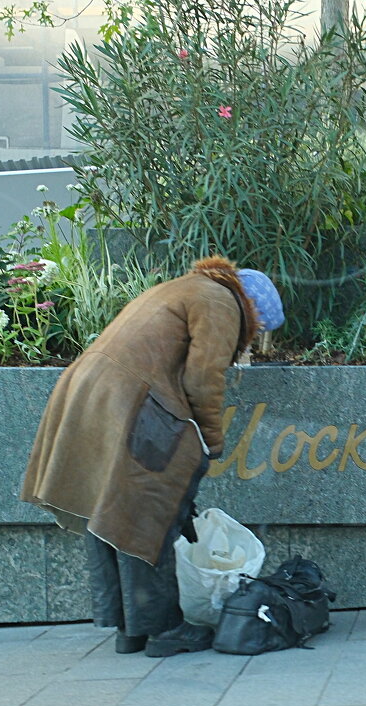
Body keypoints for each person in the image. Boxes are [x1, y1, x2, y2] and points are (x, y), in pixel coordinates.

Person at [21, 256, 285, 657]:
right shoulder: (221, 302)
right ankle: (164, 630)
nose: (250, 342)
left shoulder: (182, 287)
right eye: (258, 331)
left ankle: (129, 628)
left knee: (108, 511)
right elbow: (203, 378)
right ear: (253, 310)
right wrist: (211, 442)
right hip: (129, 399)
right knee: (150, 510)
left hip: (89, 392)